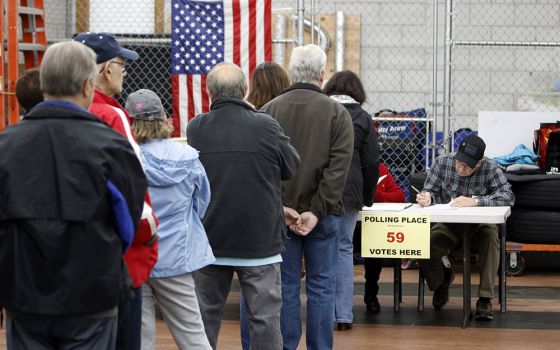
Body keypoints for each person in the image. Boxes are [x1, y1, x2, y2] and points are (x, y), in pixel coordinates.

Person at [0, 40, 147, 350]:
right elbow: (128, 224)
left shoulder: (6, 146)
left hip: (25, 293)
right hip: (91, 294)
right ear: (87, 85)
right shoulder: (111, 146)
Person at [187, 62, 300, 350]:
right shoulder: (266, 125)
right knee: (264, 318)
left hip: (212, 239)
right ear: (244, 89)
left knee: (204, 317)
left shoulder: (196, 128)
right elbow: (292, 165)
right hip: (259, 240)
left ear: (210, 92)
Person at [262, 44, 354, 350]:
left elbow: (264, 169)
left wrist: (281, 206)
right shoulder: (338, 114)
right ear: (322, 74)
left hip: (282, 217)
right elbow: (337, 171)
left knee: (286, 288)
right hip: (324, 217)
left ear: (291, 71)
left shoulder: (270, 111)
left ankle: (287, 346)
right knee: (322, 287)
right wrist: (316, 211)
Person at [75, 32, 159, 350]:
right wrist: (147, 244)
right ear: (106, 68)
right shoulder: (112, 115)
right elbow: (136, 191)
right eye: (122, 64)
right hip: (115, 261)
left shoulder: (41, 117)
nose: (125, 71)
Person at [125, 89, 214, 350]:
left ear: (131, 121)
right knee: (193, 336)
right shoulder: (188, 157)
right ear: (164, 118)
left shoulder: (126, 158)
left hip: (136, 256)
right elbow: (201, 203)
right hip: (176, 255)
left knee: (139, 339)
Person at [416, 135, 515, 320]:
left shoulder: (491, 167)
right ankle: (441, 282)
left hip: (479, 226)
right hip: (448, 224)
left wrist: (476, 201)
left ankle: (485, 298)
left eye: (467, 165)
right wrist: (426, 196)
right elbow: (430, 189)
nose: (460, 168)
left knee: (491, 241)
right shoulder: (442, 162)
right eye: (459, 162)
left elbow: (508, 196)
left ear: (479, 164)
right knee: (424, 245)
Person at [322, 70, 380, 331]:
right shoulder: (364, 118)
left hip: (320, 187)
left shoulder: (321, 111)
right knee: (344, 248)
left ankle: (321, 313)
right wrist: (367, 198)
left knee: (321, 248)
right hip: (351, 188)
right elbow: (370, 162)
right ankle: (343, 315)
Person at [240, 60, 292, 350]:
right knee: (276, 290)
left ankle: (250, 344)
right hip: (285, 208)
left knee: (254, 291)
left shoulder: (250, 117)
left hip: (254, 209)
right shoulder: (275, 121)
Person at [352, 163, 406, 314]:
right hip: (348, 228)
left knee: (376, 244)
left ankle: (371, 293)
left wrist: (374, 196)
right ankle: (342, 296)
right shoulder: (346, 167)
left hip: (370, 228)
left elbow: (400, 196)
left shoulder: (379, 168)